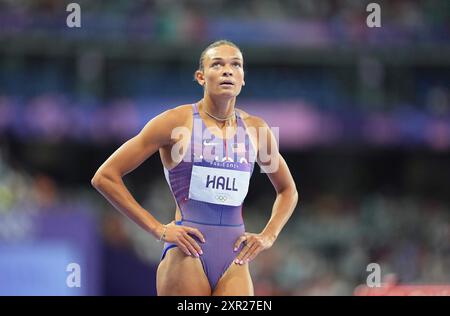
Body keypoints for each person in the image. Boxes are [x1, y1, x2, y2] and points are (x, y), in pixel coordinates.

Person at [91, 40, 298, 296]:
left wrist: (269, 235)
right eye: (217, 64)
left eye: (235, 64)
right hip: (188, 253)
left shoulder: (257, 130)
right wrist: (157, 228)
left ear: (243, 78)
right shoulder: (176, 122)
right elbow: (105, 177)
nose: (227, 70)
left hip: (235, 257)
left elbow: (287, 190)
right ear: (201, 77)